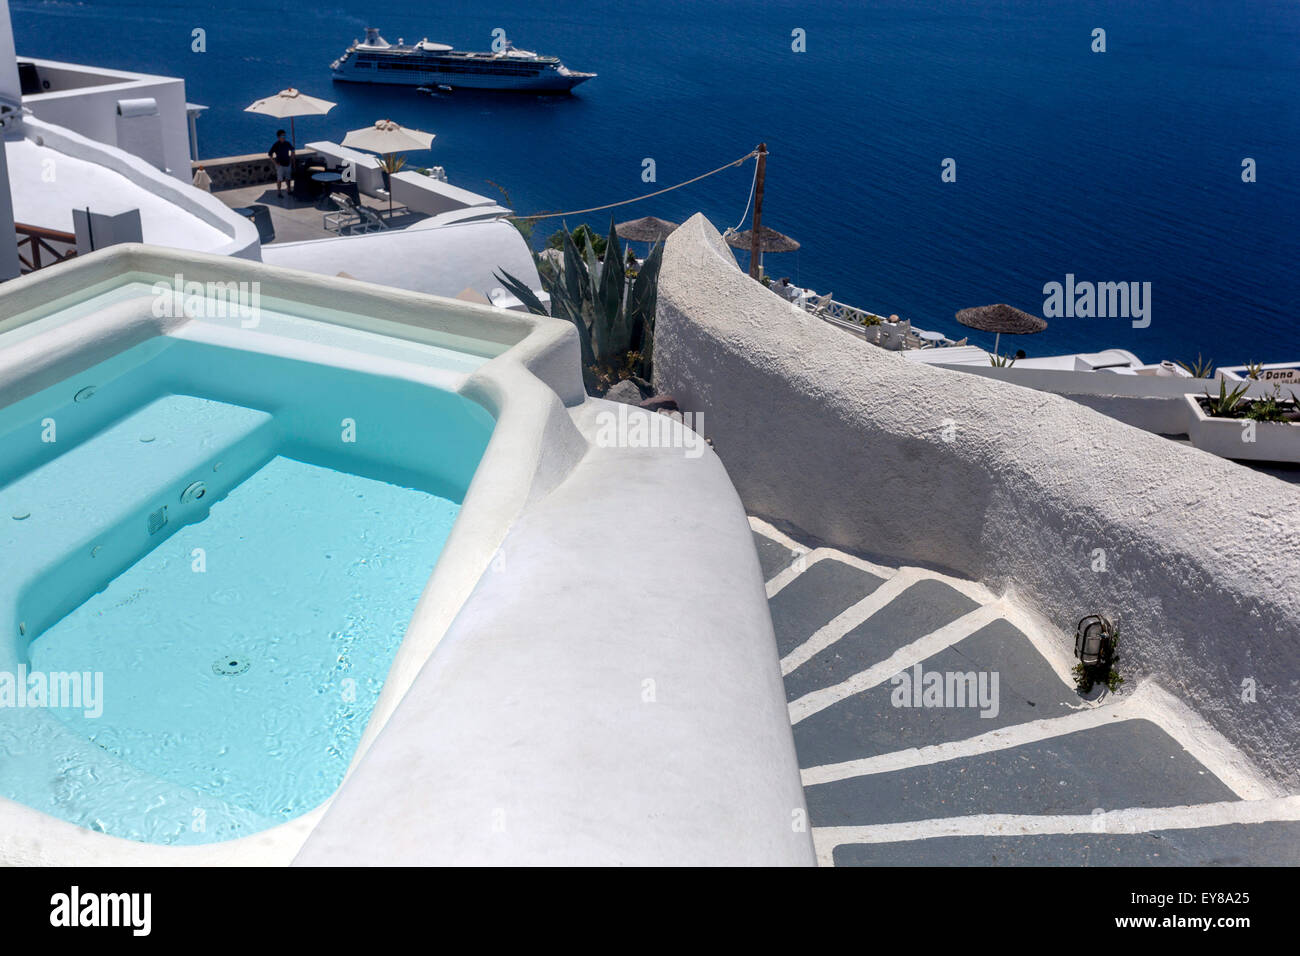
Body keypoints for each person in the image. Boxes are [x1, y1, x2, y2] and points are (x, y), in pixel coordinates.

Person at [268, 130, 294, 196]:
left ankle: (288, 190)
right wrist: (275, 163)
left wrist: (291, 159)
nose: (284, 137)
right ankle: (279, 192)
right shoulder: (276, 145)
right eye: (282, 135)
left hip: (287, 163)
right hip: (280, 165)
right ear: (278, 137)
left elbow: (292, 150)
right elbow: (270, 154)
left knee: (288, 178)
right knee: (279, 179)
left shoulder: (287, 143)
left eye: (284, 135)